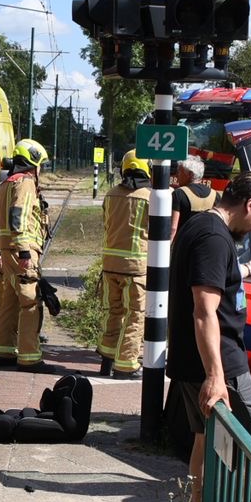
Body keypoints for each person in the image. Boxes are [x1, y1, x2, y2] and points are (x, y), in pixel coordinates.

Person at [166, 173, 251, 497]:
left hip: (192, 358)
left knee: (205, 437)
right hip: (219, 361)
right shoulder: (214, 237)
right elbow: (204, 311)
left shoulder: (199, 227)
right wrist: (215, 376)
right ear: (250, 204)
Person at [0, 138, 48, 371]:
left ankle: (3, 352)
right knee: (30, 303)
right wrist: (25, 250)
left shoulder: (7, 183)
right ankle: (29, 358)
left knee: (9, 303)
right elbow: (19, 215)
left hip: (8, 250)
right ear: (33, 162)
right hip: (21, 250)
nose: (40, 170)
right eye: (40, 165)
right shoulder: (25, 183)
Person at [96, 149, 148, 379]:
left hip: (110, 265)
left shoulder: (110, 195)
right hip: (136, 268)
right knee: (134, 315)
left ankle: (106, 361)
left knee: (112, 313)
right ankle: (126, 366)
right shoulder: (151, 197)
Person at [169, 157, 216, 240]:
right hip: (206, 242)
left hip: (184, 243)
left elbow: (173, 228)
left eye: (179, 171)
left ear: (190, 174)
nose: (176, 175)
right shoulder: (214, 194)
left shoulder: (179, 193)